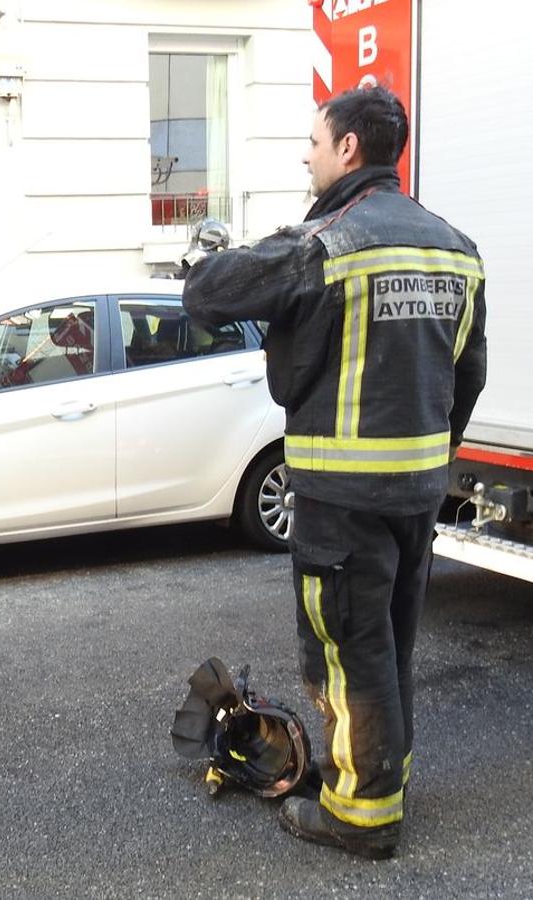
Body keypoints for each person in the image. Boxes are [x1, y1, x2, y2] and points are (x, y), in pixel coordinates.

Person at [182, 86, 487, 860]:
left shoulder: (327, 244)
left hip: (338, 499)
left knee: (347, 652)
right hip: (418, 491)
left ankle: (363, 815)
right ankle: (380, 775)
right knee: (389, 643)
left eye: (314, 142)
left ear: (349, 149)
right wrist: (425, 458)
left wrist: (224, 252)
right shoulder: (456, 247)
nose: (307, 155)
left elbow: (209, 292)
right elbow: (468, 377)